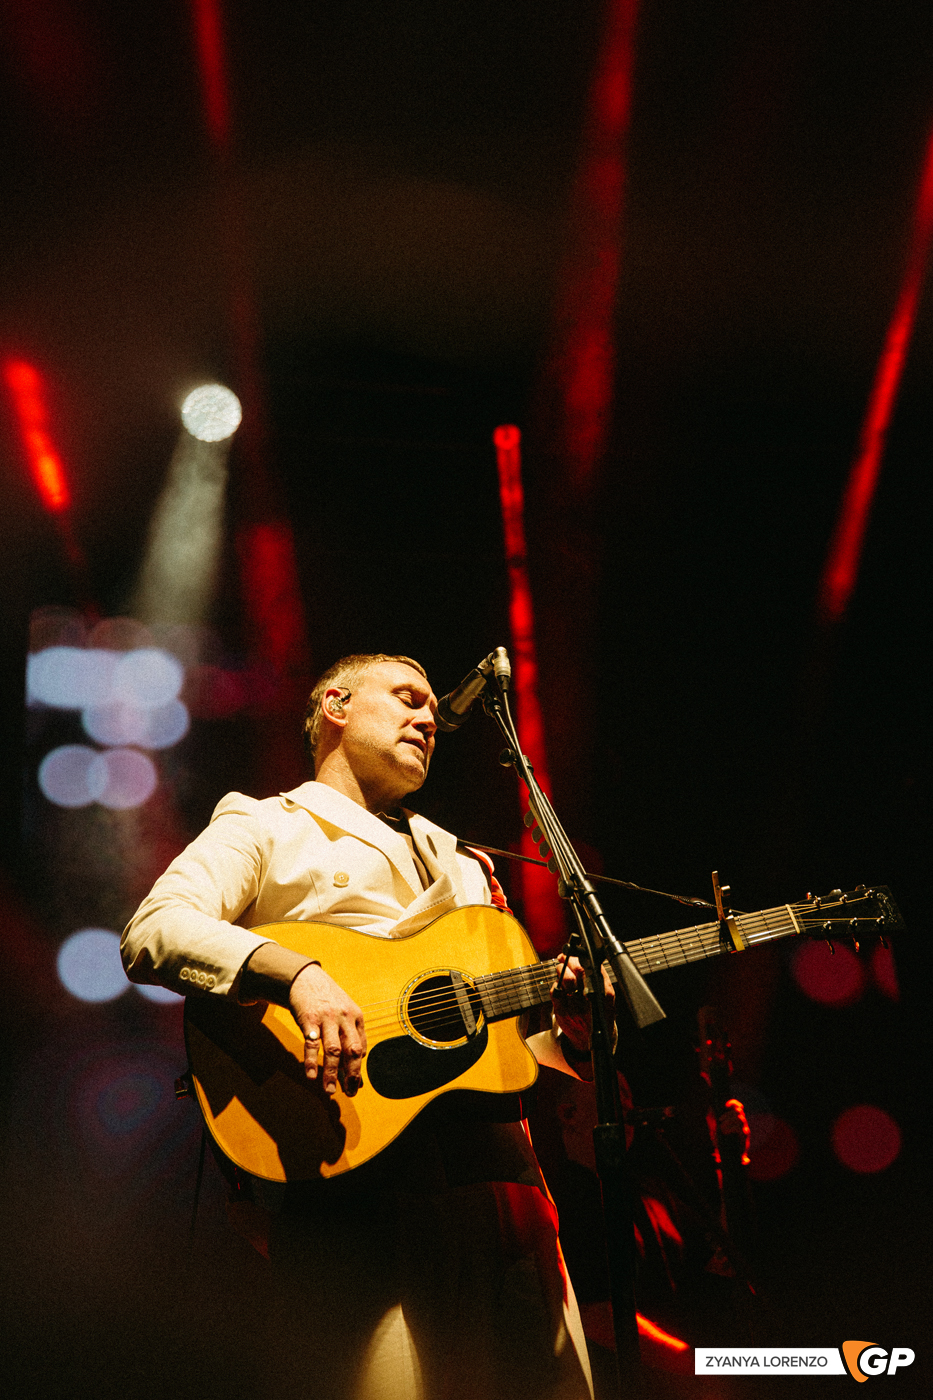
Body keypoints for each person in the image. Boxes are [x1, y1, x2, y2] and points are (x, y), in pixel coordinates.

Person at [122, 653, 607, 1400]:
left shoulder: (468, 863)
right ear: (338, 705)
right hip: (355, 1166)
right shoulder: (266, 823)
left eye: (431, 709)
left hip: (499, 1173)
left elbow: (501, 1041)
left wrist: (562, 1019)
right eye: (407, 699)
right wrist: (297, 973)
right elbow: (156, 929)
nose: (428, 719)